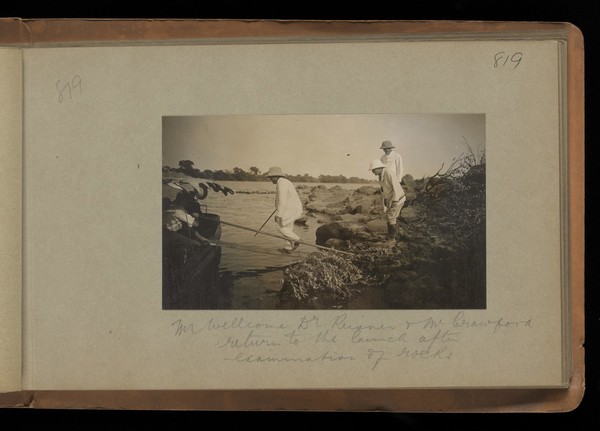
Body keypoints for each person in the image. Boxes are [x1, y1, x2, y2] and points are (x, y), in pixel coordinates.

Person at [265, 166, 303, 253]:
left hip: (290, 209)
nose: (271, 180)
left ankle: (297, 240)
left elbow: (282, 200)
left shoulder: (282, 183)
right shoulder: (284, 182)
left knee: (280, 227)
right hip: (292, 208)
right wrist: (278, 208)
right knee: (287, 228)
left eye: (271, 178)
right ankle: (288, 248)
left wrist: (279, 215)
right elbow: (283, 199)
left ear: (275, 176)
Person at [369, 159, 406, 241]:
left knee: (391, 216)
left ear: (379, 168)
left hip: (398, 198)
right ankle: (392, 235)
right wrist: (385, 199)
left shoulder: (389, 173)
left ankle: (392, 238)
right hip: (390, 198)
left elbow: (396, 187)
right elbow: (384, 189)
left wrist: (395, 201)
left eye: (373, 170)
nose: (372, 172)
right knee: (389, 216)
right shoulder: (381, 175)